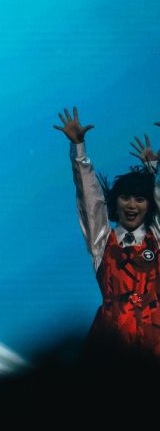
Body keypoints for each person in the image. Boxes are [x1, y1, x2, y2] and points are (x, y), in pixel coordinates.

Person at [57, 107, 160, 352]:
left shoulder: (156, 239)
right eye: (125, 198)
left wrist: (154, 170)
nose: (132, 205)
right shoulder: (102, 242)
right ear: (116, 202)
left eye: (139, 199)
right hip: (111, 345)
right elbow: (89, 200)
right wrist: (79, 149)